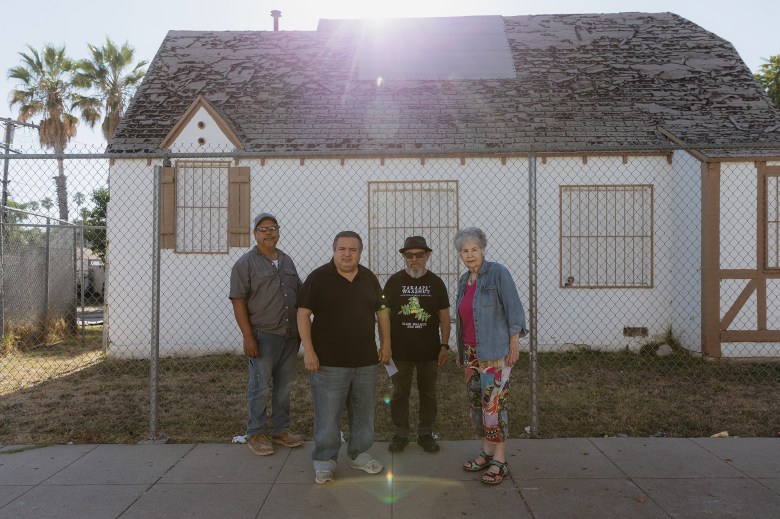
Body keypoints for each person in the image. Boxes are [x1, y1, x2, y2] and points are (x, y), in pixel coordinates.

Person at [297, 231, 392, 484]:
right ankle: (325, 461)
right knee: (327, 417)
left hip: (365, 361)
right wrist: (309, 350)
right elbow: (303, 314)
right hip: (328, 363)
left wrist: (386, 343)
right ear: (334, 250)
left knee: (364, 413)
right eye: (342, 249)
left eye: (353, 249)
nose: (347, 254)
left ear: (360, 252)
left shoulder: (369, 277)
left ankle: (359, 454)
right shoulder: (318, 278)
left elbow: (382, 311)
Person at [454, 227, 526, 485]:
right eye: (465, 251)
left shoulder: (498, 273)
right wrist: (462, 353)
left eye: (474, 249)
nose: (470, 255)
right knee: (477, 406)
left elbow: (514, 309)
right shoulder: (464, 280)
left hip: (495, 354)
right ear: (460, 254)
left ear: (483, 250)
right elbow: (464, 319)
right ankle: (486, 452)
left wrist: (514, 343)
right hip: (472, 355)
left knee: (493, 408)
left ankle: (500, 459)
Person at [229, 212, 304, 456]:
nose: (268, 232)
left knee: (284, 386)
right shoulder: (245, 264)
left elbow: (300, 294)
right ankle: (256, 433)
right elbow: (238, 301)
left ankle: (280, 430)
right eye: (263, 229)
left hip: (290, 336)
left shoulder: (287, 261)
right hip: (263, 336)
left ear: (278, 231)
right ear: (255, 234)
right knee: (260, 387)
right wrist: (248, 336)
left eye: (272, 227)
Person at [384, 236, 451, 453]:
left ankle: (425, 434)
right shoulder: (393, 282)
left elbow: (444, 317)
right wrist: (385, 345)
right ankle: (400, 434)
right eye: (409, 255)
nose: (414, 259)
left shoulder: (436, 283)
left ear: (427, 256)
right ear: (404, 257)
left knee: (428, 394)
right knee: (399, 393)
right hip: (399, 353)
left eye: (419, 255)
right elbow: (383, 316)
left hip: (429, 352)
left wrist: (444, 345)